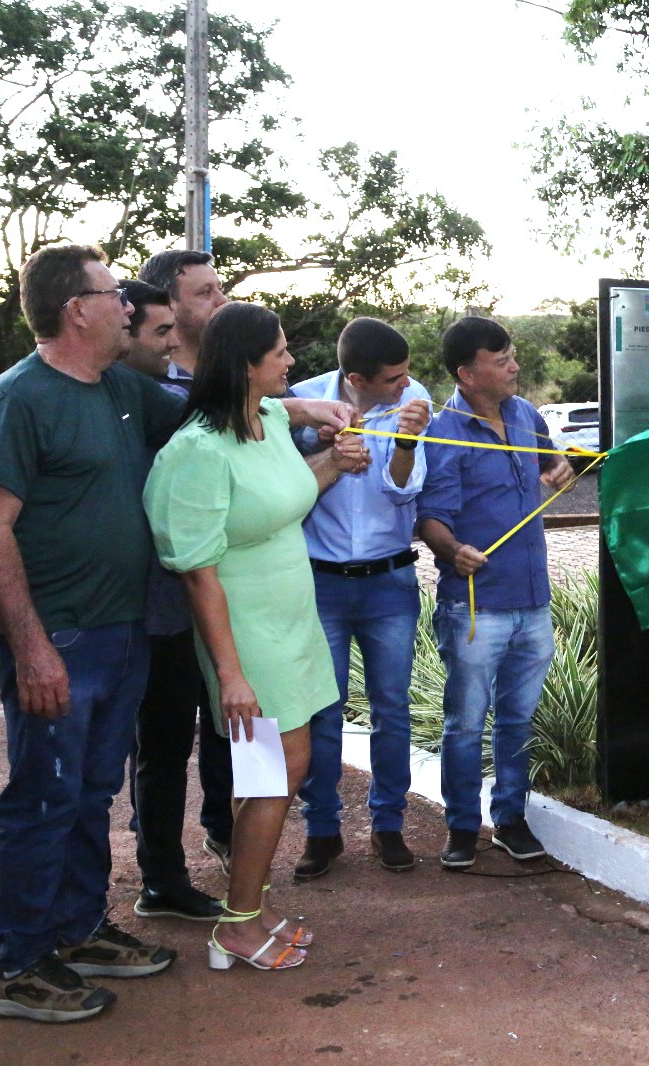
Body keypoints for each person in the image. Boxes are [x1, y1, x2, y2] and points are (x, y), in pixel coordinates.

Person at [0, 245, 183, 1021]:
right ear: (75, 309)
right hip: (56, 637)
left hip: (120, 628)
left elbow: (207, 418)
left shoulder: (122, 387)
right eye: (111, 292)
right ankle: (20, 966)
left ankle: (79, 928)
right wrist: (30, 646)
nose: (127, 306)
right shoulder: (18, 399)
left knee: (90, 791)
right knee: (44, 797)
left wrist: (300, 411)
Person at [144, 301, 370, 972]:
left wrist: (337, 458)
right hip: (244, 634)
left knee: (271, 773)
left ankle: (251, 905)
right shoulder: (195, 451)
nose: (292, 362)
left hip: (291, 622)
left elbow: (292, 494)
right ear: (246, 365)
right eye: (279, 352)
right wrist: (232, 673)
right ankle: (238, 925)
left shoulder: (267, 418)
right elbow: (197, 574)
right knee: (280, 768)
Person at [417, 316, 573, 870]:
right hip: (475, 608)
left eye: (512, 356)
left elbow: (557, 464)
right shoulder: (444, 431)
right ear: (467, 372)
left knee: (517, 719)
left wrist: (558, 471)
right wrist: (450, 549)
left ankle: (509, 818)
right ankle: (461, 826)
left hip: (533, 600)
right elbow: (431, 517)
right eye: (501, 358)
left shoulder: (526, 414)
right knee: (465, 723)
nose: (514, 366)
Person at [292, 318, 432, 879]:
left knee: (392, 709)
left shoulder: (414, 399)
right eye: (393, 379)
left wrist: (405, 440)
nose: (406, 385)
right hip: (319, 580)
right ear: (355, 378)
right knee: (322, 713)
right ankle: (321, 831)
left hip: (389, 579)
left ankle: (388, 825)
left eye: (406, 375)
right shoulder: (301, 401)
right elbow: (282, 487)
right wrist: (323, 451)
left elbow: (405, 487)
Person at [115, 279, 233, 923]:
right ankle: (154, 879)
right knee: (151, 755)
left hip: (182, 606)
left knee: (178, 747)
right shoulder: (137, 398)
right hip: (134, 613)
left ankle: (169, 875)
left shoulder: (157, 396)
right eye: (158, 333)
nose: (170, 345)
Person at [138, 249, 228, 379]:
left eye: (220, 289)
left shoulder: (239, 372)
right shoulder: (149, 383)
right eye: (206, 292)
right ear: (167, 304)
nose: (223, 300)